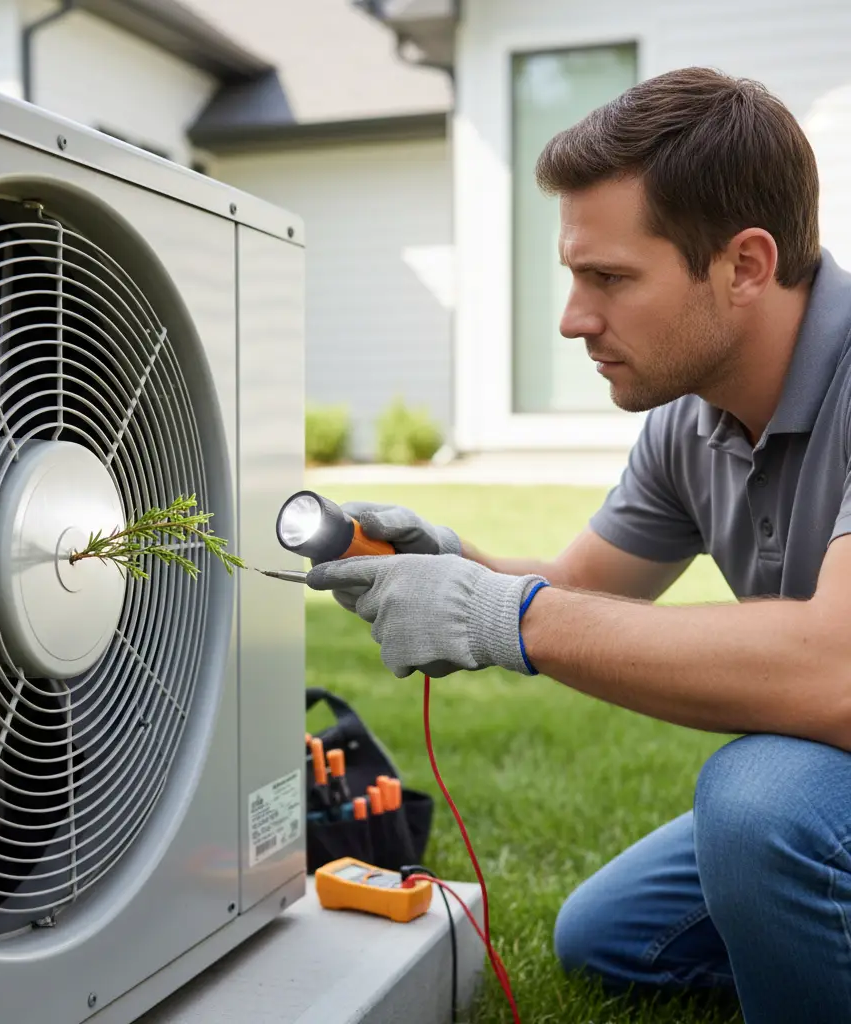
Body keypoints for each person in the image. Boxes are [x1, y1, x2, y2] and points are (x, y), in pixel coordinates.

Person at [305, 66, 851, 1023]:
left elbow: (837, 673)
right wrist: (453, 561)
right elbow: (576, 587)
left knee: (761, 807)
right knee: (610, 935)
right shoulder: (693, 419)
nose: (573, 319)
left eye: (610, 278)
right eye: (574, 275)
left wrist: (506, 618)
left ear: (747, 264)